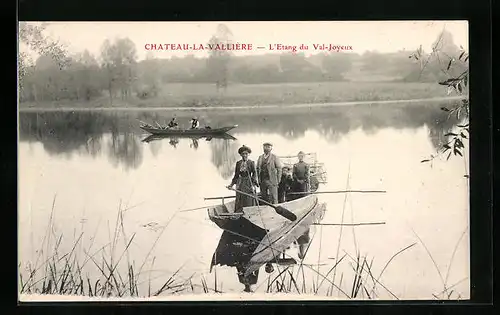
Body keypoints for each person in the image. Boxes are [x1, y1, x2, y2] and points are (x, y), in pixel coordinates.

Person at [227, 145, 258, 213]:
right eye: (243, 154)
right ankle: (239, 212)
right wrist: (231, 185)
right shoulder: (238, 163)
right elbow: (236, 175)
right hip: (240, 183)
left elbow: (255, 173)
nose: (244, 155)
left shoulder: (251, 163)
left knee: (249, 198)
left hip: (248, 183)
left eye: (246, 154)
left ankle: (250, 212)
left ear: (248, 154)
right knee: (239, 198)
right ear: (241, 155)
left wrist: (253, 184)